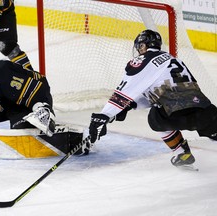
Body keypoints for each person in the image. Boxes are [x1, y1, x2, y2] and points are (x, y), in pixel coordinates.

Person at [87, 29, 217, 167]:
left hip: (173, 115)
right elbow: (162, 92)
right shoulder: (172, 59)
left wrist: (104, 114)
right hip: (205, 112)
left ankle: (181, 152)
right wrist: (131, 105)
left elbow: (123, 91)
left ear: (143, 45)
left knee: (154, 117)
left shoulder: (143, 60)